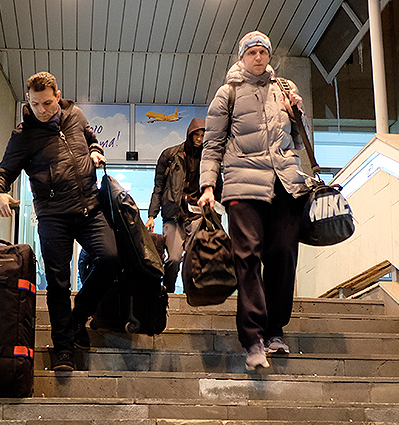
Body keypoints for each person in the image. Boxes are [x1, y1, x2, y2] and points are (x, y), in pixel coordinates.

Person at [0, 71, 119, 372]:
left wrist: (96, 152)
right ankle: (64, 350)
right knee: (59, 284)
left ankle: (76, 318)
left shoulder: (76, 115)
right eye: (35, 104)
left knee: (111, 259)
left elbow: (91, 140)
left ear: (58, 96)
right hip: (53, 217)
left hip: (89, 209)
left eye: (47, 103)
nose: (42, 110)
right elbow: (1, 173)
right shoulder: (24, 136)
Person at [197, 31, 313, 371]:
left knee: (283, 254)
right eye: (252, 52)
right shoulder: (228, 93)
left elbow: (297, 137)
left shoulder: (284, 89)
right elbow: (212, 144)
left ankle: (276, 330)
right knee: (247, 257)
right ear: (242, 56)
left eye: (263, 52)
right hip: (242, 185)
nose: (258, 57)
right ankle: (253, 339)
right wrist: (207, 186)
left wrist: (297, 113)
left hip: (285, 184)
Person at [146, 118, 219, 293]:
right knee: (173, 259)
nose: (199, 139)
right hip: (172, 215)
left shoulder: (207, 159)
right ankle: (169, 293)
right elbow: (158, 187)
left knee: (193, 259)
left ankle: (190, 294)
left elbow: (217, 186)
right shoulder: (170, 155)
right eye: (196, 134)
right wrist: (151, 216)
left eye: (203, 135)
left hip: (196, 215)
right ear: (189, 133)